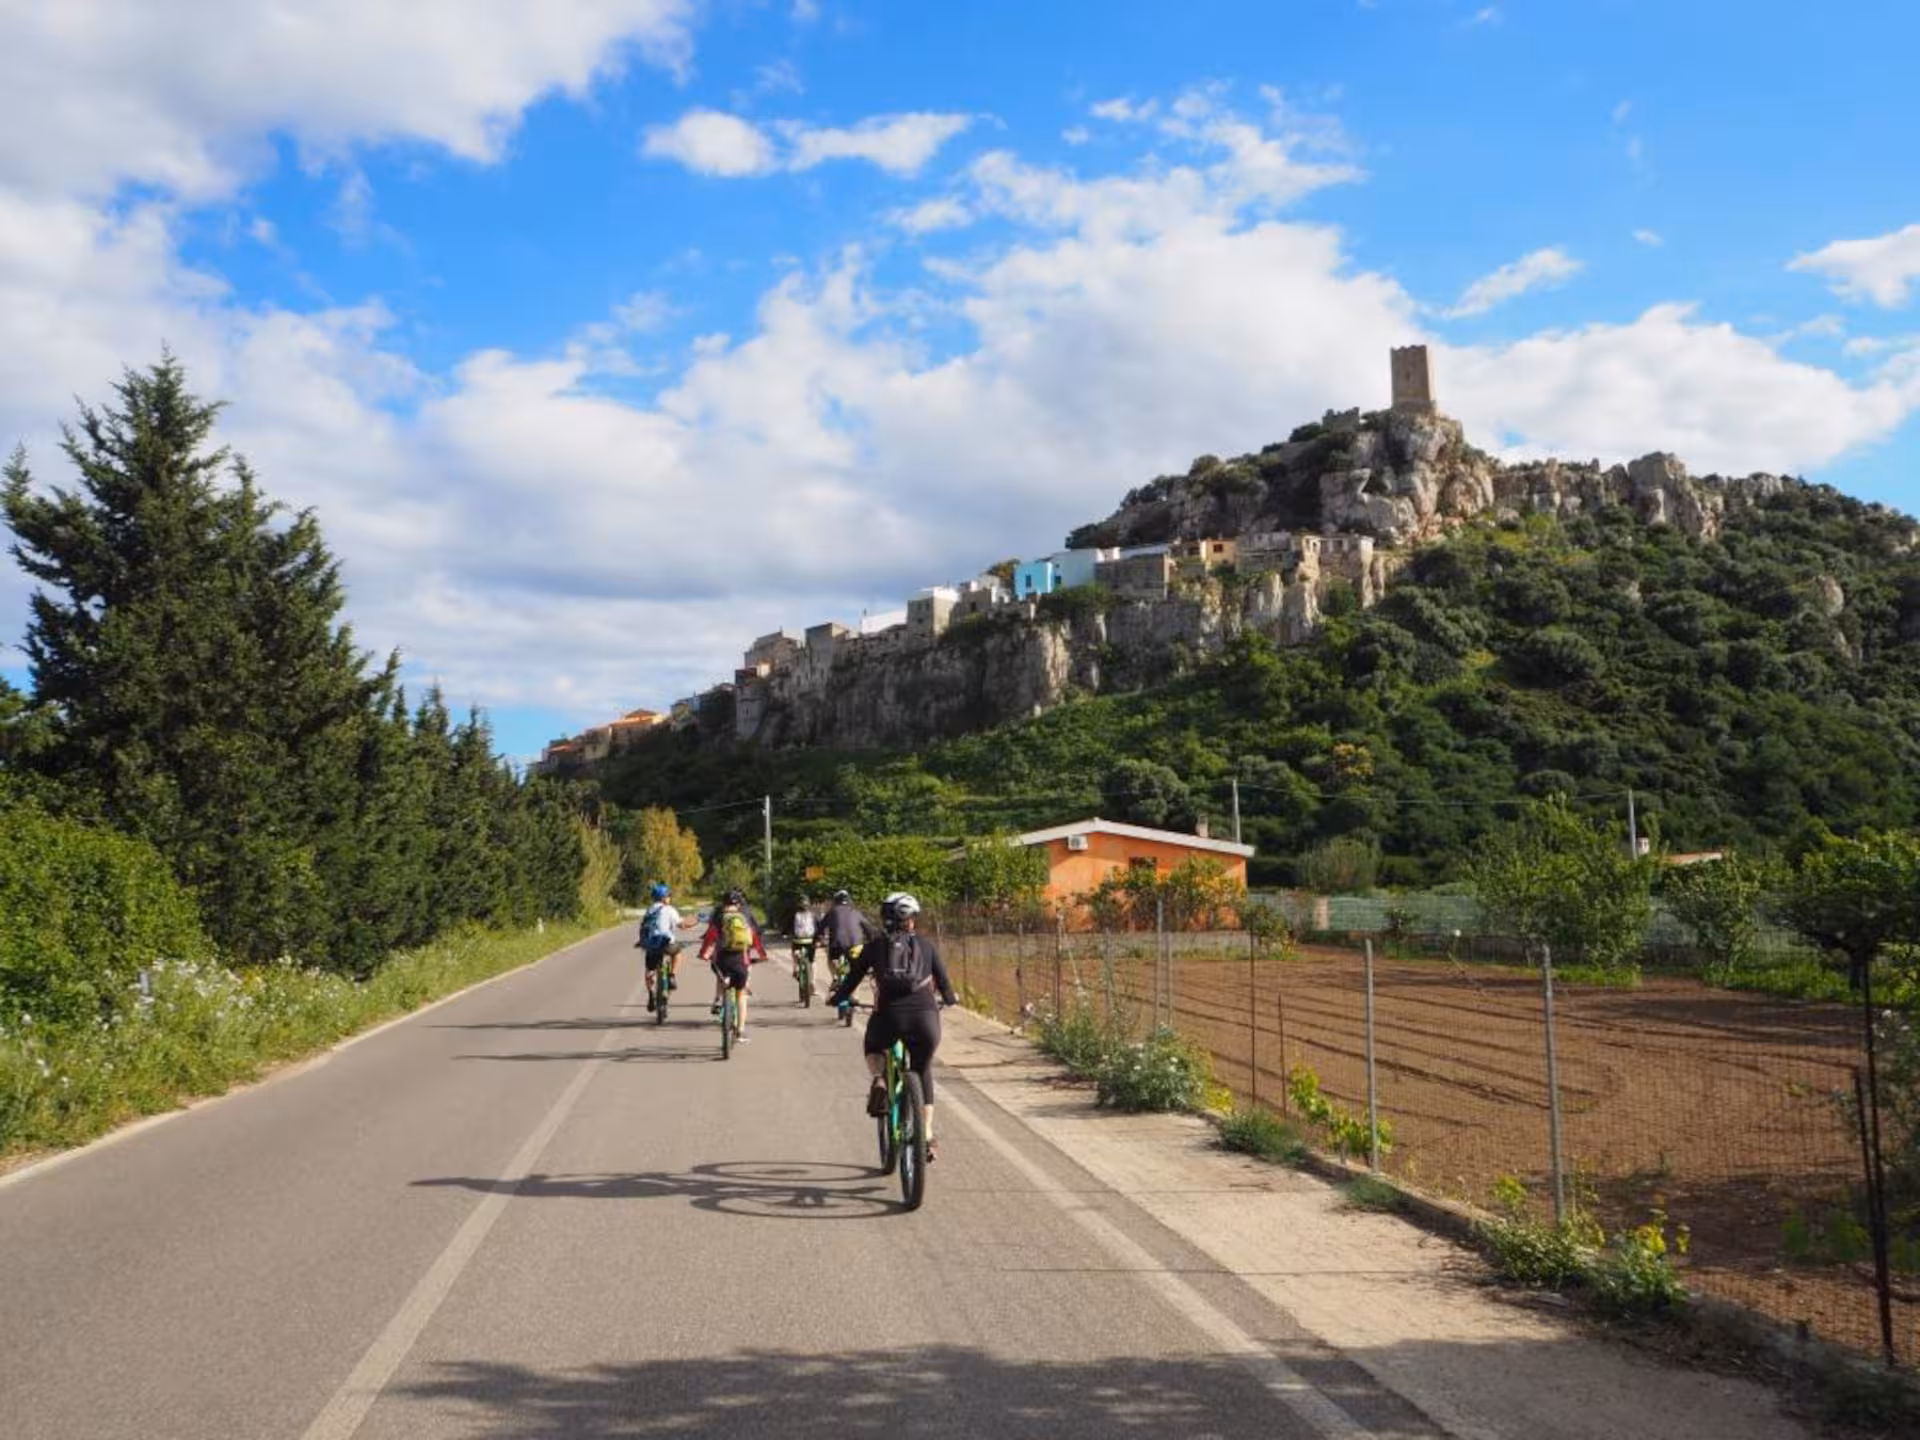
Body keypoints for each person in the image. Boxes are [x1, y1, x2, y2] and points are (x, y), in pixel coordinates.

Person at [827, 892, 957, 1161]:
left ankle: (879, 1080)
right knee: (922, 1069)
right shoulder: (927, 945)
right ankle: (927, 1133)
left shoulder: (875, 947)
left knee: (874, 1046)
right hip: (925, 1020)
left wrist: (839, 999)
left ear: (885, 919)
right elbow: (945, 985)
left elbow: (851, 980)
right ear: (910, 921)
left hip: (888, 1016)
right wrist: (950, 999)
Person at [699, 888, 769, 1038]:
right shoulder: (744, 917)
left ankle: (719, 998)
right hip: (740, 960)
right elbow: (755, 938)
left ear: (723, 904)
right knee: (741, 994)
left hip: (721, 960)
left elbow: (709, 938)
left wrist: (704, 954)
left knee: (720, 975)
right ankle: (740, 1030)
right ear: (738, 905)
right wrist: (762, 955)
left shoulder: (718, 918)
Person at [819, 888, 878, 1015]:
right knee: (856, 968)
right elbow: (869, 930)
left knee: (831, 960)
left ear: (836, 901)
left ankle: (835, 978)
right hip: (856, 947)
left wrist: (819, 938)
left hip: (837, 945)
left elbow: (820, 928)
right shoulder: (856, 912)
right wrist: (873, 941)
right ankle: (854, 994)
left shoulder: (832, 912)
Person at [636, 882, 687, 1014]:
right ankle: (672, 976)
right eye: (668, 896)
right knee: (678, 953)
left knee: (649, 970)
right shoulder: (669, 909)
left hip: (652, 945)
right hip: (667, 944)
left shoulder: (649, 910)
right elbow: (681, 925)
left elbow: (644, 927)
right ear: (664, 897)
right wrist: (693, 921)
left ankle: (651, 994)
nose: (669, 898)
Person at [790, 896, 819, 998]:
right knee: (812, 961)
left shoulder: (794, 915)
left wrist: (785, 934)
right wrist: (818, 939)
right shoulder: (813, 915)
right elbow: (818, 927)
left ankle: (795, 968)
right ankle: (813, 982)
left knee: (794, 953)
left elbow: (788, 927)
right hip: (810, 941)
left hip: (798, 941)